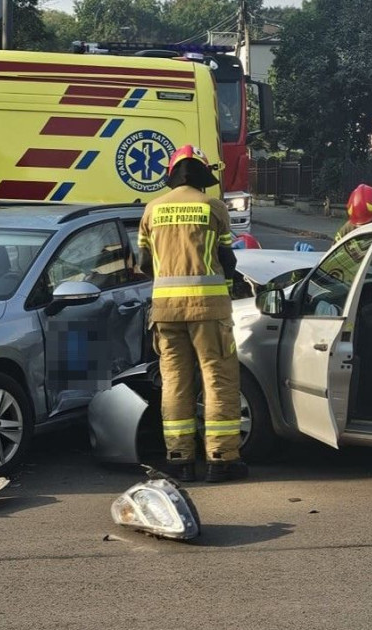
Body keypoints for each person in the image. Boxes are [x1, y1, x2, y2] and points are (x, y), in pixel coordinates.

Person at [137, 145, 247, 483]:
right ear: (200, 174)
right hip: (208, 309)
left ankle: (180, 458)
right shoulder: (212, 206)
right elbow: (227, 259)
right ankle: (221, 458)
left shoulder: (152, 210)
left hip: (166, 312)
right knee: (218, 379)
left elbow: (143, 264)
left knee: (174, 382)